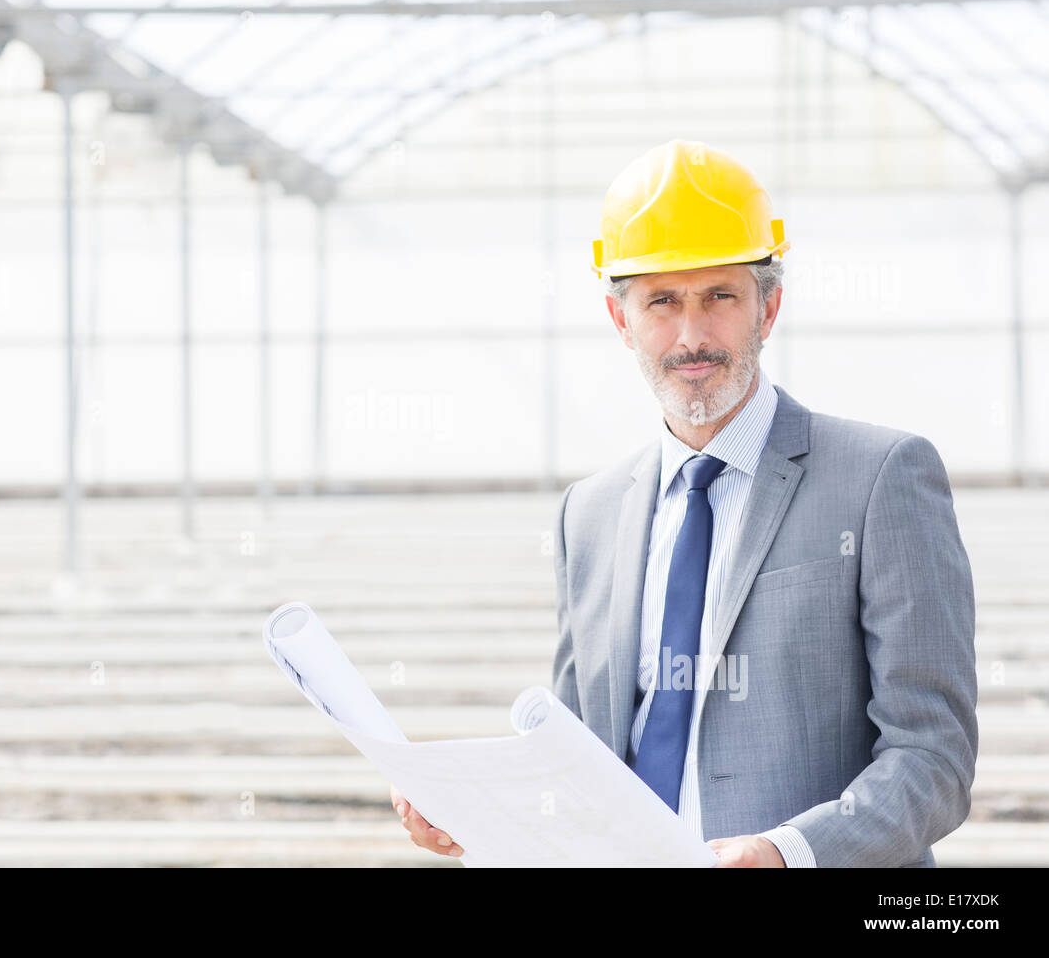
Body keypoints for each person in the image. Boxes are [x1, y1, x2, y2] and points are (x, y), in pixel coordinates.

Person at [394, 139, 978, 867]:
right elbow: (580, 762)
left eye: (720, 296)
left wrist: (788, 851)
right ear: (620, 318)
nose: (692, 335)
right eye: (662, 301)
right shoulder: (590, 516)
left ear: (768, 308)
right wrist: (488, 817)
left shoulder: (880, 477)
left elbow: (933, 758)